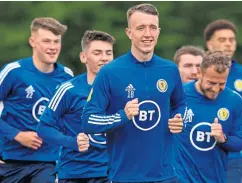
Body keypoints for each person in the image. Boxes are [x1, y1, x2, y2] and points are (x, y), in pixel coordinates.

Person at [80, 3, 186, 183]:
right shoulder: (110, 72)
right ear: (129, 33)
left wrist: (178, 118)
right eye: (140, 28)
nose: (147, 34)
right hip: (125, 176)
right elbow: (88, 121)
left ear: (158, 31)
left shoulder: (169, 69)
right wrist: (122, 115)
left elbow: (180, 104)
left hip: (166, 175)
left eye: (152, 27)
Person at [0, 17, 88, 183]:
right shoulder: (14, 72)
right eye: (47, 41)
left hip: (49, 162)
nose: (53, 47)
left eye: (56, 41)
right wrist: (17, 135)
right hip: (10, 162)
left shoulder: (66, 76)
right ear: (32, 41)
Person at [37, 30, 115, 183]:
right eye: (97, 53)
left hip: (111, 173)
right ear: (83, 57)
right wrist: (71, 142)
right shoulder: (68, 90)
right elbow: (43, 128)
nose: (104, 58)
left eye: (108, 53)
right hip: (75, 174)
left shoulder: (124, 91)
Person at [174, 51, 242, 183]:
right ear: (199, 73)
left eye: (221, 84)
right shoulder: (178, 94)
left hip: (214, 177)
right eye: (211, 83)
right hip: (180, 177)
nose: (216, 89)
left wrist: (223, 138)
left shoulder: (235, 101)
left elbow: (239, 143)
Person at [204, 19, 242, 183]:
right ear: (210, 44)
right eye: (222, 40)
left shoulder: (241, 74)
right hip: (200, 150)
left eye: (231, 40)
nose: (228, 44)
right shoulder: (197, 71)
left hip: (234, 155)